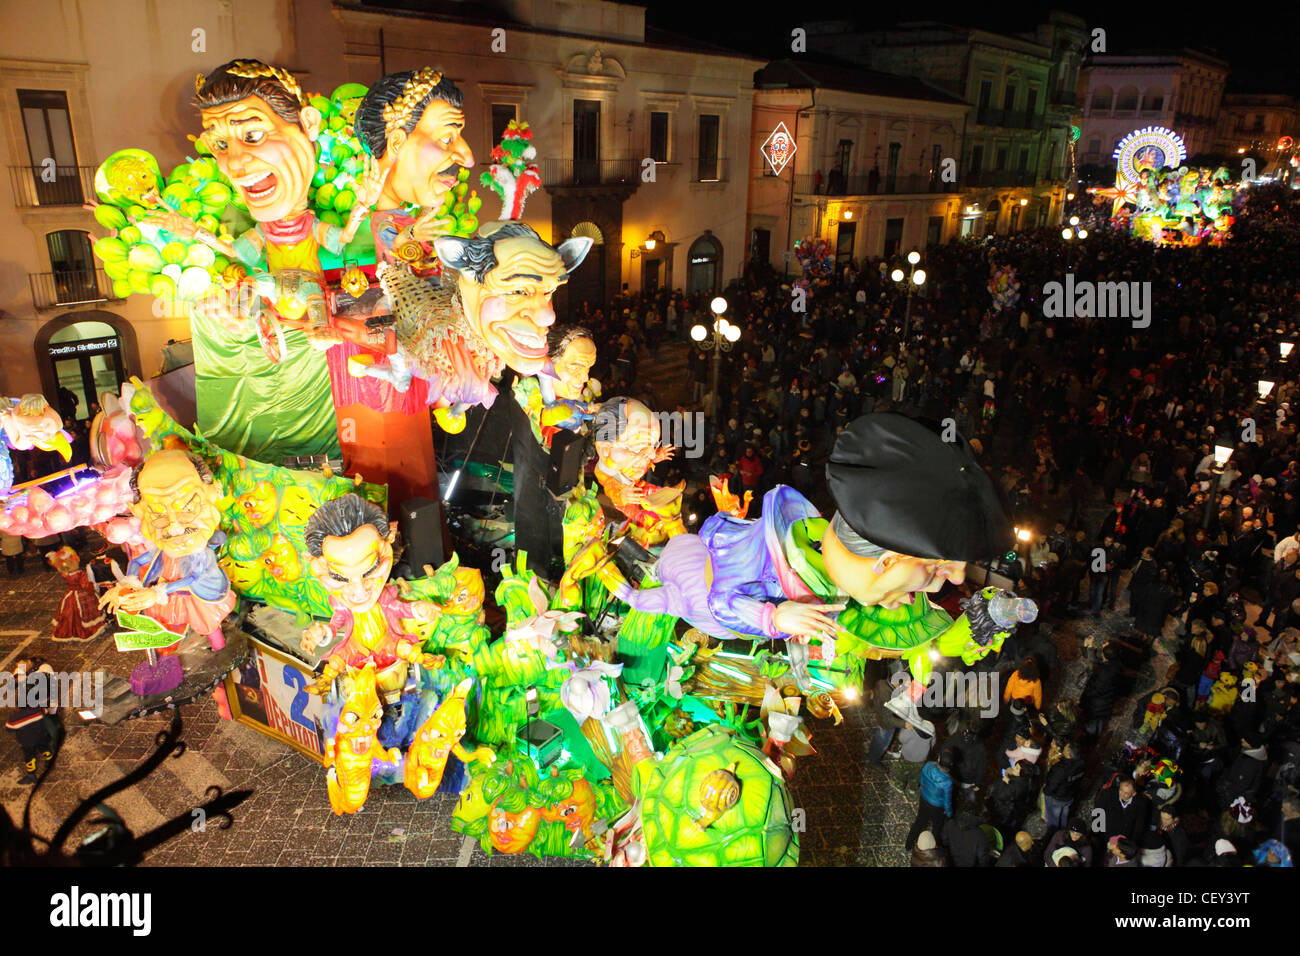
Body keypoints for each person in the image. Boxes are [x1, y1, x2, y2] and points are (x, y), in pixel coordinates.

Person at [905, 748, 954, 850]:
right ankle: (934, 850)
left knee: (919, 822)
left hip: (924, 799)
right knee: (936, 828)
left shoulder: (928, 765)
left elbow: (921, 780)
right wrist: (949, 813)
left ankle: (908, 844)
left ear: (939, 759)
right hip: (937, 807)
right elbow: (947, 801)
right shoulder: (948, 782)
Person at [1042, 739, 1085, 830]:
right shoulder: (1081, 764)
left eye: (1065, 748)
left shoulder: (1060, 768)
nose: (1063, 748)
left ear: (1068, 753)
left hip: (1057, 798)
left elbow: (1052, 784)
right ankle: (1063, 830)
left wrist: (1046, 792)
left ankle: (1053, 833)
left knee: (1054, 818)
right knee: (1064, 815)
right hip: (1069, 796)